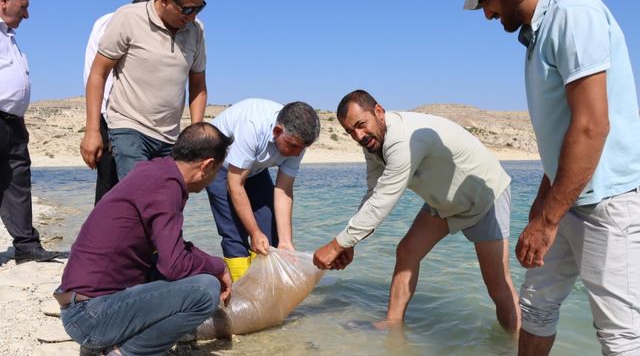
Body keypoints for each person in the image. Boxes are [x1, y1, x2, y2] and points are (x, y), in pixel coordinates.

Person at [464, 0, 640, 355]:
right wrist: (543, 206)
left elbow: (592, 126)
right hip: (567, 198)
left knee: (620, 336)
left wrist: (546, 221)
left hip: (609, 200)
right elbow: (563, 133)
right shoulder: (536, 34)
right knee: (536, 306)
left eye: (486, 0)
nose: (487, 14)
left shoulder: (573, 14)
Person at [313, 90, 520, 333]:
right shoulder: (372, 143)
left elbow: (384, 199)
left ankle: (516, 343)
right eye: (350, 132)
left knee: (497, 285)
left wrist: (337, 245)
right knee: (407, 251)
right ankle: (392, 324)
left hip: (484, 196)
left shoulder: (403, 140)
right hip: (443, 201)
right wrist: (349, 243)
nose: (358, 136)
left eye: (361, 125)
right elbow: (373, 193)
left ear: (378, 111)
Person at [56, 122, 233, 356]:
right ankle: (124, 352)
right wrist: (216, 268)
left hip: (82, 306)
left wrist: (216, 264)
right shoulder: (166, 187)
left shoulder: (157, 172)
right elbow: (174, 265)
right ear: (207, 165)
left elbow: (173, 249)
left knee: (188, 271)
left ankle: (105, 345)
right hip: (89, 316)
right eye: (218, 170)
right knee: (205, 290)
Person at [80, 0, 209, 180]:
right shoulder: (128, 17)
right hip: (129, 127)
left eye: (199, 8)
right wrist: (92, 130)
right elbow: (98, 73)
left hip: (170, 136)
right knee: (140, 195)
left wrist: (196, 133)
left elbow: (198, 85)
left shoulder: (196, 29)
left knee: (166, 200)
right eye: (187, 9)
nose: (192, 16)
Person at [207, 98, 320, 281]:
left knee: (271, 237)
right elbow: (235, 185)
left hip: (254, 168)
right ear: (277, 131)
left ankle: (265, 289)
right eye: (293, 147)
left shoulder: (297, 141)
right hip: (220, 166)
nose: (297, 154)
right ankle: (238, 295)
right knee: (235, 235)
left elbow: (283, 190)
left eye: (302, 148)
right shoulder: (252, 126)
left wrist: (286, 241)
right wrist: (253, 232)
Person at [0, 0, 61, 264]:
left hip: (13, 123)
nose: (27, 15)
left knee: (18, 182)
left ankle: (26, 246)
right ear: (3, 0)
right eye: (23, 7)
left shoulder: (9, 37)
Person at [83, 0, 157, 204]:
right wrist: (95, 129)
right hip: (113, 116)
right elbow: (97, 75)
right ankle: (102, 236)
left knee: (143, 187)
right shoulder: (110, 25)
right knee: (111, 186)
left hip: (141, 120)